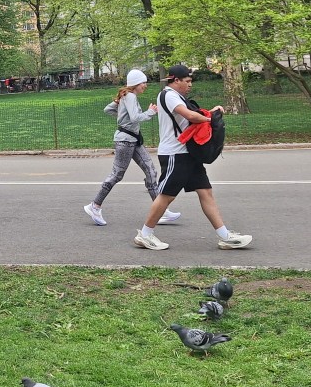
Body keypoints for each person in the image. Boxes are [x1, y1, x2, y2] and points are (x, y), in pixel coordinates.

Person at [133, 64, 253, 252]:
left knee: (205, 192)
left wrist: (210, 113)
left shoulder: (178, 96)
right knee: (166, 196)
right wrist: (210, 118)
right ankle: (145, 235)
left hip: (187, 153)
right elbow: (189, 115)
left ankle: (225, 236)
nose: (190, 85)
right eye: (187, 81)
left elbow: (193, 116)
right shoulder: (168, 95)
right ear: (176, 80)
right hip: (175, 153)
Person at [84, 70, 181, 227]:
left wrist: (121, 111)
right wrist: (150, 112)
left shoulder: (127, 96)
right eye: (143, 82)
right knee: (117, 175)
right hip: (125, 141)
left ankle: (161, 211)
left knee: (151, 171)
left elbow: (108, 110)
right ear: (136, 83)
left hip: (133, 140)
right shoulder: (130, 96)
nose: (145, 85)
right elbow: (136, 117)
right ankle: (95, 206)